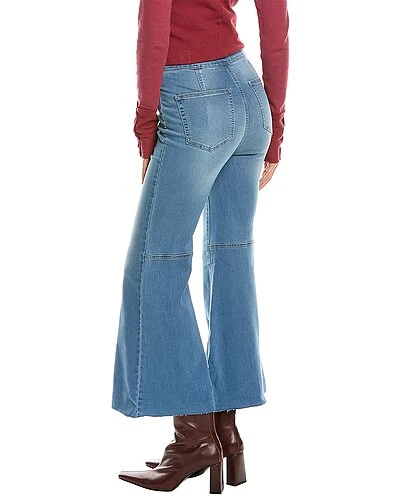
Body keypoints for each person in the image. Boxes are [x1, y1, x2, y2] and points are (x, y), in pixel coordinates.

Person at [112, 0, 289, 493]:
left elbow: (154, 28)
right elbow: (276, 25)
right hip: (249, 95)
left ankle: (193, 439)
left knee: (155, 266)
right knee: (230, 261)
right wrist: (275, 127)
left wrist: (146, 124)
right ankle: (225, 431)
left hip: (192, 100)